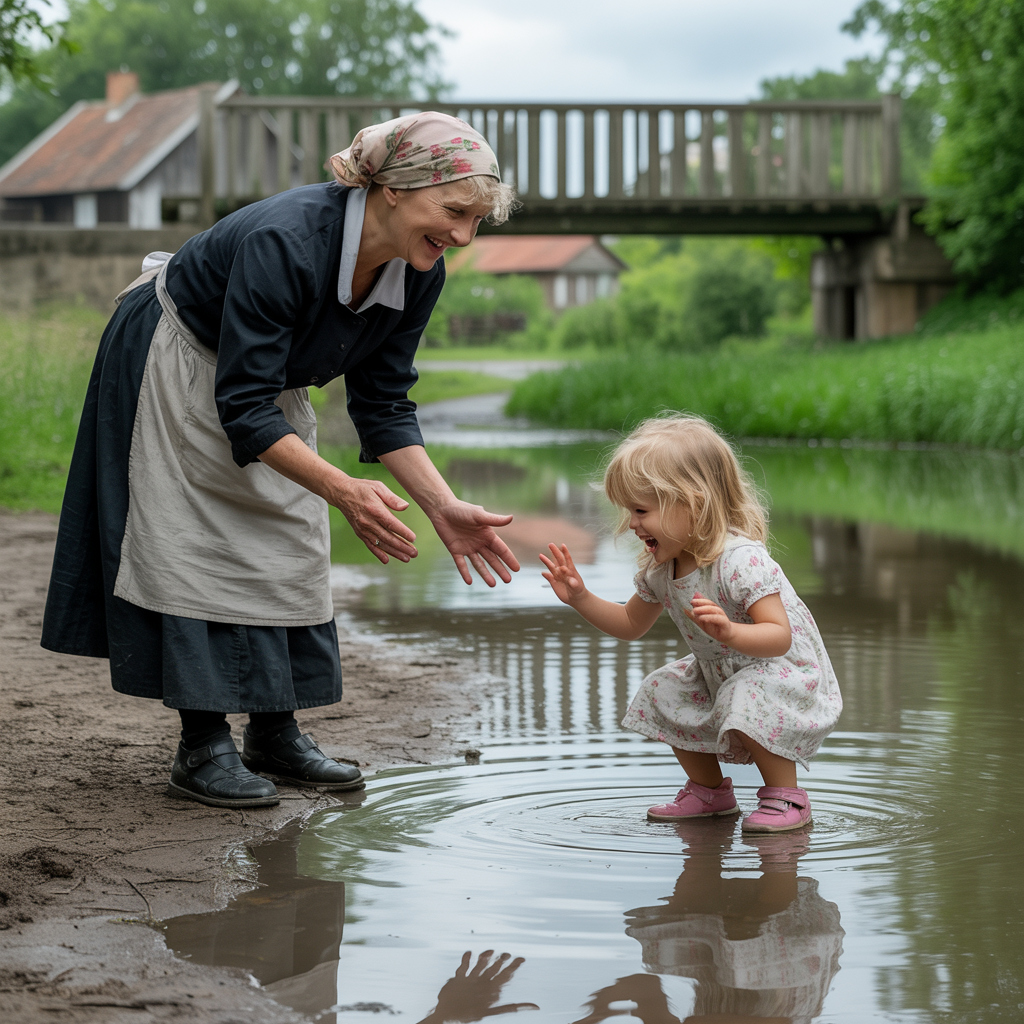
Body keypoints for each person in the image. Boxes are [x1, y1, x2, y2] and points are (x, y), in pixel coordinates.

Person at [40, 111, 521, 809]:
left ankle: (275, 733)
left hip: (260, 379)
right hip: (174, 350)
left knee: (289, 534)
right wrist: (344, 491)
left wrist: (443, 506)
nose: (463, 235)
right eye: (454, 212)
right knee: (191, 539)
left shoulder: (420, 271)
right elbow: (243, 405)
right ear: (392, 189)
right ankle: (202, 748)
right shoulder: (287, 238)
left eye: (478, 221)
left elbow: (384, 405)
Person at [540, 414, 842, 832]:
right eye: (629, 510)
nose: (631, 523)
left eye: (641, 510)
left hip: (781, 671)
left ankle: (786, 796)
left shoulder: (741, 560)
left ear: (692, 503)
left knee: (747, 690)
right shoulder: (662, 569)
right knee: (663, 688)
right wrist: (580, 598)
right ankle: (709, 792)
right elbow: (631, 624)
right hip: (721, 670)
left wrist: (732, 633)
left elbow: (778, 636)